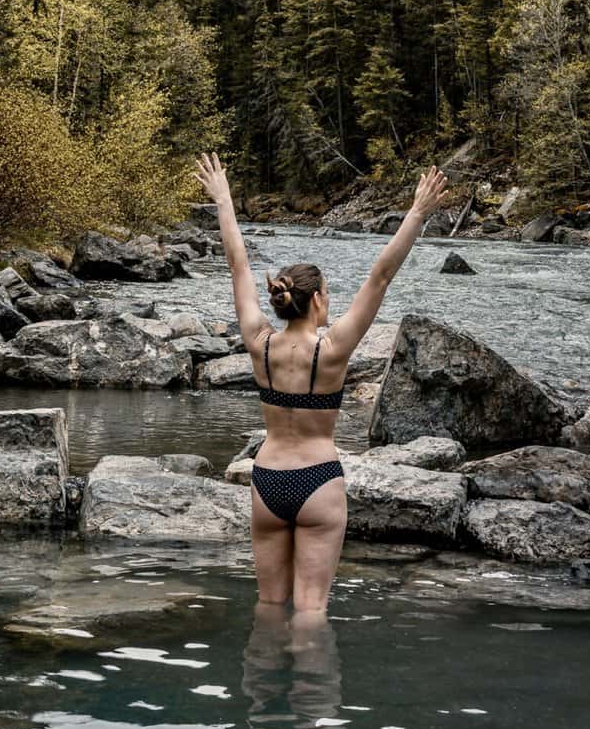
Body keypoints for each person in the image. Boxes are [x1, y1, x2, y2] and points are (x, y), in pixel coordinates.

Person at [193, 153, 450, 613]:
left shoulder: (259, 343)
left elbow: (237, 267)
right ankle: (311, 685)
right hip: (317, 481)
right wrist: (417, 212)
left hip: (267, 478)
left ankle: (262, 684)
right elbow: (381, 277)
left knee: (270, 606)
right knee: (311, 611)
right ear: (316, 300)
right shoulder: (331, 350)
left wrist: (223, 199)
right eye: (327, 293)